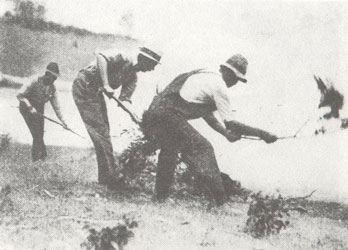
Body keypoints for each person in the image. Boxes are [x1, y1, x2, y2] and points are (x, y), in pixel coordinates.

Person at [142, 54, 278, 205]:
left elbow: (205, 112)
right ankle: (219, 200)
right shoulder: (219, 86)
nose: (234, 83)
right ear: (225, 71)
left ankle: (160, 197)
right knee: (203, 148)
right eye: (234, 78)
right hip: (167, 115)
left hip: (153, 113)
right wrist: (263, 134)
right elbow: (232, 124)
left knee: (170, 149)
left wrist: (224, 133)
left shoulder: (205, 75)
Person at [72, 46, 162, 186]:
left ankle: (107, 177)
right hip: (85, 83)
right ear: (144, 59)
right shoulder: (124, 56)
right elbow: (101, 56)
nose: (152, 69)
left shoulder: (132, 78)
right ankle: (109, 177)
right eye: (152, 65)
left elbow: (124, 100)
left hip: (95, 91)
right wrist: (106, 84)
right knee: (100, 132)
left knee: (104, 132)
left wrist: (134, 116)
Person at [16, 62, 68, 161]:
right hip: (26, 107)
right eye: (52, 77)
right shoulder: (34, 80)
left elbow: (57, 108)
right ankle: (37, 159)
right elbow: (19, 95)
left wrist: (64, 122)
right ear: (46, 74)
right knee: (37, 134)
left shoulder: (52, 88)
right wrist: (30, 107)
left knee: (40, 133)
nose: (53, 80)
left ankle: (42, 158)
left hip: (39, 109)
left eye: (55, 78)